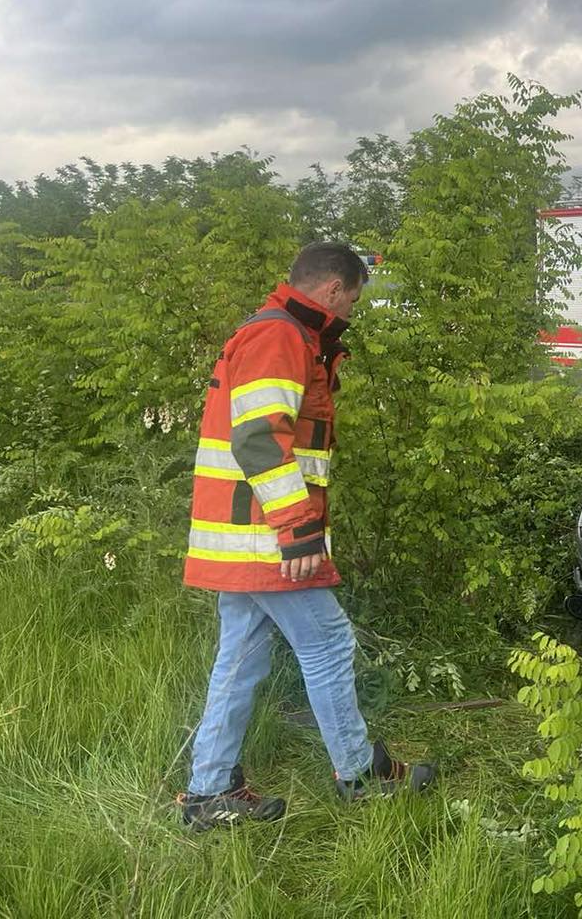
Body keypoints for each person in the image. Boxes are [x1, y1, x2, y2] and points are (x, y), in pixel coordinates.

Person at [177, 242, 434, 831]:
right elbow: (260, 439)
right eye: (354, 300)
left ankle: (207, 794)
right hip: (269, 535)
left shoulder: (286, 334)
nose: (352, 312)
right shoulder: (280, 337)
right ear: (333, 290)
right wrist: (297, 529)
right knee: (328, 643)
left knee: (239, 661)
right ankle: (360, 778)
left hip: (246, 533)